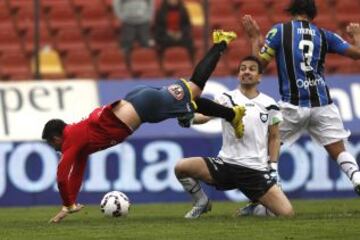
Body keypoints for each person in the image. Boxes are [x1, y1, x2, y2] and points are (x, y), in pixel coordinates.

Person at [42, 30, 245, 223]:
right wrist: (70, 204)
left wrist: (67, 204)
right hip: (140, 102)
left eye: (53, 145)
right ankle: (231, 114)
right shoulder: (77, 140)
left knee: (195, 87)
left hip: (143, 107)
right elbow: (76, 171)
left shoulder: (71, 140)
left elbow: (62, 176)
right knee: (191, 107)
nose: (55, 149)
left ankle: (221, 43)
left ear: (56, 138)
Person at [240, 0, 360, 215]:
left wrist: (254, 38)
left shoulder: (279, 32)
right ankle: (357, 177)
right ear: (312, 13)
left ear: (292, 10)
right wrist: (356, 35)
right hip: (322, 104)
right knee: (339, 150)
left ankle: (269, 200)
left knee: (265, 149)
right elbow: (357, 53)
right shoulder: (324, 35)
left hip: (292, 106)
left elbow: (258, 65)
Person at [174, 56, 294, 219]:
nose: (246, 72)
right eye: (243, 68)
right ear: (238, 74)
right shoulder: (226, 98)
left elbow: (274, 137)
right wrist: (189, 119)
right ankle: (201, 202)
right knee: (181, 167)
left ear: (259, 77)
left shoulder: (269, 104)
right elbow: (204, 117)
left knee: (287, 214)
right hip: (226, 165)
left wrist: (273, 168)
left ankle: (256, 207)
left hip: (255, 170)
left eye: (252, 69)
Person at [112, 0, 155, 66]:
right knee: (126, 45)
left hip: (144, 21)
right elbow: (116, 2)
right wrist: (120, 16)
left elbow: (151, 2)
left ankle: (145, 65)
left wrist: (149, 15)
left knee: (146, 44)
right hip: (127, 22)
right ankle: (127, 67)